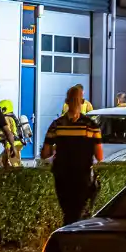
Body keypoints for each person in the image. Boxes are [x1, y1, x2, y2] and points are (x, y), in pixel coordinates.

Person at [42, 86, 104, 226]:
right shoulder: (91, 125)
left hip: (62, 176)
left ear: (66, 102)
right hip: (82, 176)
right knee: (78, 211)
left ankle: (67, 234)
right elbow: (99, 156)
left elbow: (45, 153)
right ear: (82, 102)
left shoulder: (56, 125)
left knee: (68, 211)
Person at [0, 100, 29, 168]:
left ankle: (19, 177)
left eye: (0, 109)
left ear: (5, 109)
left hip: (12, 144)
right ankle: (8, 175)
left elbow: (6, 132)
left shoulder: (6, 118)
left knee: (15, 164)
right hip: (16, 143)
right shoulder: (12, 117)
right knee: (2, 160)